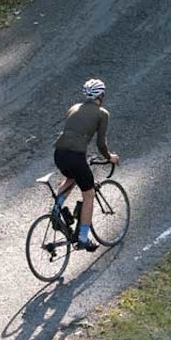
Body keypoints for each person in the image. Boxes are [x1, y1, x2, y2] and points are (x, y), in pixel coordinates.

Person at [53, 78, 119, 251]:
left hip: (59, 154)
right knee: (88, 194)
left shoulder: (73, 108)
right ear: (102, 96)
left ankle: (55, 211)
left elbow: (73, 134)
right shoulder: (102, 113)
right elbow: (101, 144)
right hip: (76, 156)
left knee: (70, 179)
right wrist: (109, 156)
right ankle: (83, 237)